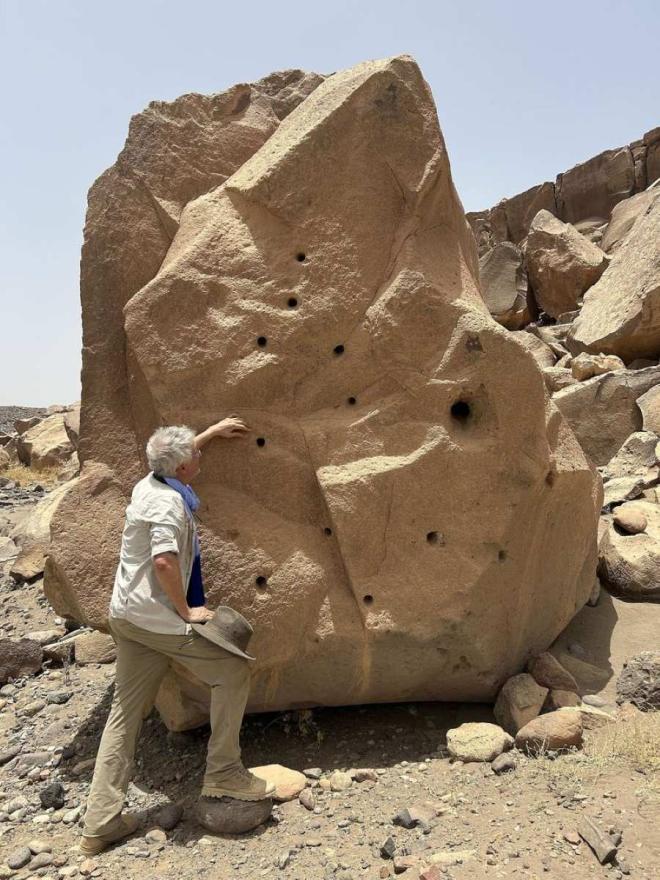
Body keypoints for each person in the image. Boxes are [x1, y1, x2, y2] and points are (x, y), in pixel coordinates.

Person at [79, 418, 274, 856]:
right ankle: (224, 773)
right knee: (231, 671)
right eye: (196, 454)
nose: (200, 456)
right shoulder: (169, 504)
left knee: (124, 713)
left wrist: (210, 433)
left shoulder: (149, 484)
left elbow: (173, 459)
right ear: (183, 467)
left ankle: (100, 822)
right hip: (157, 620)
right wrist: (187, 611)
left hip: (127, 616)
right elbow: (164, 561)